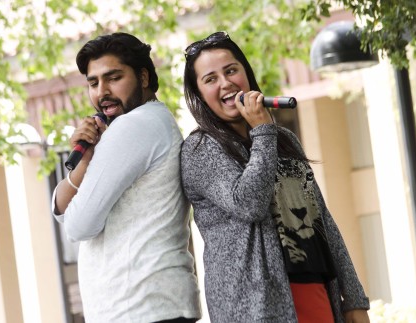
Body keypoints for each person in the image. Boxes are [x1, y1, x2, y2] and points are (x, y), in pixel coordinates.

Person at [180, 31, 370, 323]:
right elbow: (249, 204)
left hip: (314, 289)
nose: (226, 83)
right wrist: (263, 131)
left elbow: (323, 221)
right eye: (210, 79)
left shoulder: (285, 140)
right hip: (256, 306)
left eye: (231, 70)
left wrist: (354, 297)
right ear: (199, 94)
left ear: (247, 74)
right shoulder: (200, 149)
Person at [52, 32, 201, 323]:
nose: (102, 91)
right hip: (147, 306)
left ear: (143, 78)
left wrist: (76, 203)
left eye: (113, 77)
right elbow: (62, 210)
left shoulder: (134, 126)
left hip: (141, 307)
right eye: (93, 82)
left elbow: (78, 226)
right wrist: (84, 163)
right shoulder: (151, 122)